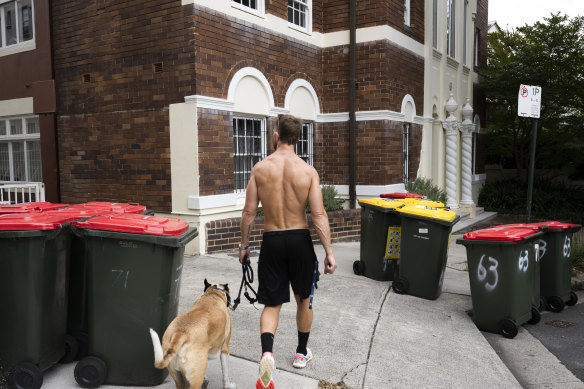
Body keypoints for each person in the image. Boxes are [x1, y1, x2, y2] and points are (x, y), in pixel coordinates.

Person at [239, 114, 338, 389]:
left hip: (272, 239)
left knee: (272, 304)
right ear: (297, 137)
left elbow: (248, 213)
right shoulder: (308, 171)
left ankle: (267, 355)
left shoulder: (260, 169)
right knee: (303, 299)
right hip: (299, 240)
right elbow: (318, 214)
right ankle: (300, 353)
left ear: (276, 134)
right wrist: (329, 252)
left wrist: (244, 246)